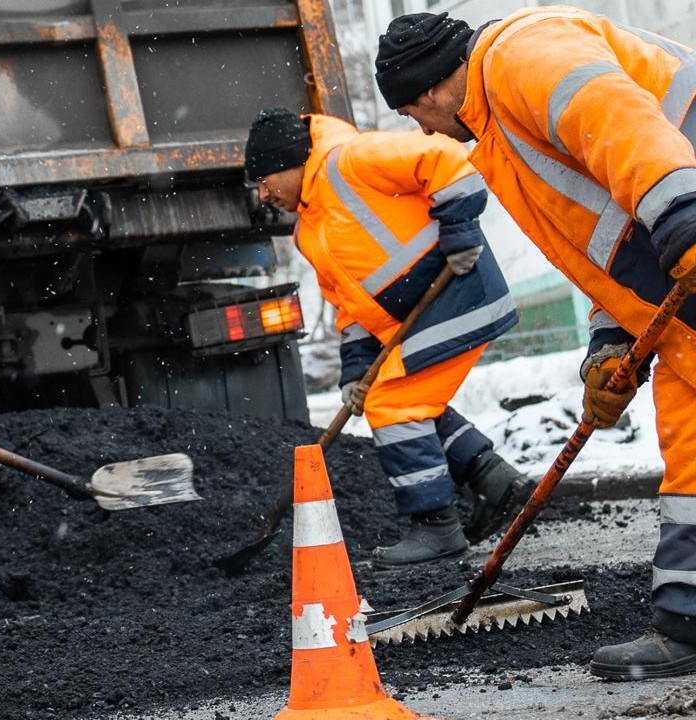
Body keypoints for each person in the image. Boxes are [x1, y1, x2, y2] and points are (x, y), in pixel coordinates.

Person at [374, 6, 696, 679]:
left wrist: (683, 217)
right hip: (677, 285)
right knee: (689, 446)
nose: (425, 130)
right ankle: (685, 622)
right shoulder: (497, 136)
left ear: (430, 91)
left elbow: (619, 122)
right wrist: (610, 344)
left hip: (688, 223)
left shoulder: (519, 55)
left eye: (414, 114)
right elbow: (600, 241)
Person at [244, 107, 530, 568]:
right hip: (421, 319)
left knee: (395, 405)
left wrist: (459, 233)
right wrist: (355, 372)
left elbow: (446, 158)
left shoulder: (350, 159)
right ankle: (493, 480)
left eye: (264, 178)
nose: (262, 193)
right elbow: (348, 307)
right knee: (391, 392)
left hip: (459, 293)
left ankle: (436, 527)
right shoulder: (307, 231)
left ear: (290, 162)